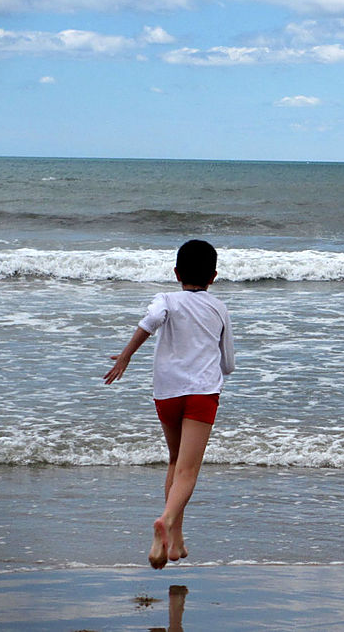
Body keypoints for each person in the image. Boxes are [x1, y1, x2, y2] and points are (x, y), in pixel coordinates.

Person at [104, 239, 235, 569]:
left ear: (176, 273)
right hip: (202, 392)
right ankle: (164, 521)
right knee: (189, 470)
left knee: (176, 461)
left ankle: (173, 540)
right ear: (214, 276)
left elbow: (150, 322)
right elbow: (228, 363)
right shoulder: (219, 307)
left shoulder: (165, 299)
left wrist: (125, 356)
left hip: (167, 392)